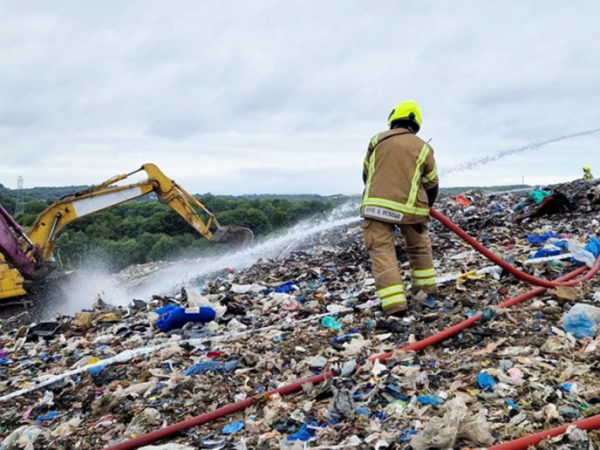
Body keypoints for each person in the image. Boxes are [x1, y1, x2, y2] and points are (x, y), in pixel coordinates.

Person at [360, 100, 439, 315]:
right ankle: (426, 292)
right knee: (419, 247)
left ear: (393, 119)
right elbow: (432, 184)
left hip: (376, 208)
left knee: (382, 252)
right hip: (411, 210)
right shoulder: (424, 147)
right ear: (416, 124)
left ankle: (395, 307)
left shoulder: (377, 140)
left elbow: (366, 175)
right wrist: (426, 210)